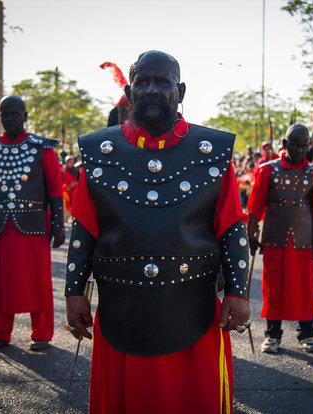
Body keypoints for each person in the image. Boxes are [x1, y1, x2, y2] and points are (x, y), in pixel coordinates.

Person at [65, 50, 250, 413]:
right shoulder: (99, 153)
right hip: (120, 310)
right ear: (131, 92)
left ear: (179, 91)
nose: (151, 89)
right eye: (142, 82)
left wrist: (238, 292)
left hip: (194, 312)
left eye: (162, 82)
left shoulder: (211, 153)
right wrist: (74, 292)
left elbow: (232, 227)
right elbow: (84, 228)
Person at [0, 95, 65, 351]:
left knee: (38, 280)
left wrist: (58, 224)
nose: (10, 118)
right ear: (0, 116)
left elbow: (55, 186)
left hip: (33, 225)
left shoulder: (42, 148)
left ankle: (42, 333)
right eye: (5, 114)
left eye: (15, 114)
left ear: (25, 116)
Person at [246, 124, 313, 354]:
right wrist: (251, 235)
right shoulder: (267, 170)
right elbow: (254, 207)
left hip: (304, 241)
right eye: (295, 145)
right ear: (285, 143)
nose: (299, 150)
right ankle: (272, 335)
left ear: (309, 145)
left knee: (304, 288)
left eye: (304, 146)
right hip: (274, 240)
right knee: (273, 287)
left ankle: (306, 334)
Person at [61, 155, 79, 222]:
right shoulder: (63, 171)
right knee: (66, 206)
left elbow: (79, 180)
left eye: (72, 162)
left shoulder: (76, 171)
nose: (71, 163)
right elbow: (61, 180)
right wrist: (66, 186)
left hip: (74, 191)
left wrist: (74, 184)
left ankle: (73, 220)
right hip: (66, 191)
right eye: (70, 162)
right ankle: (65, 220)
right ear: (67, 162)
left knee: (74, 206)